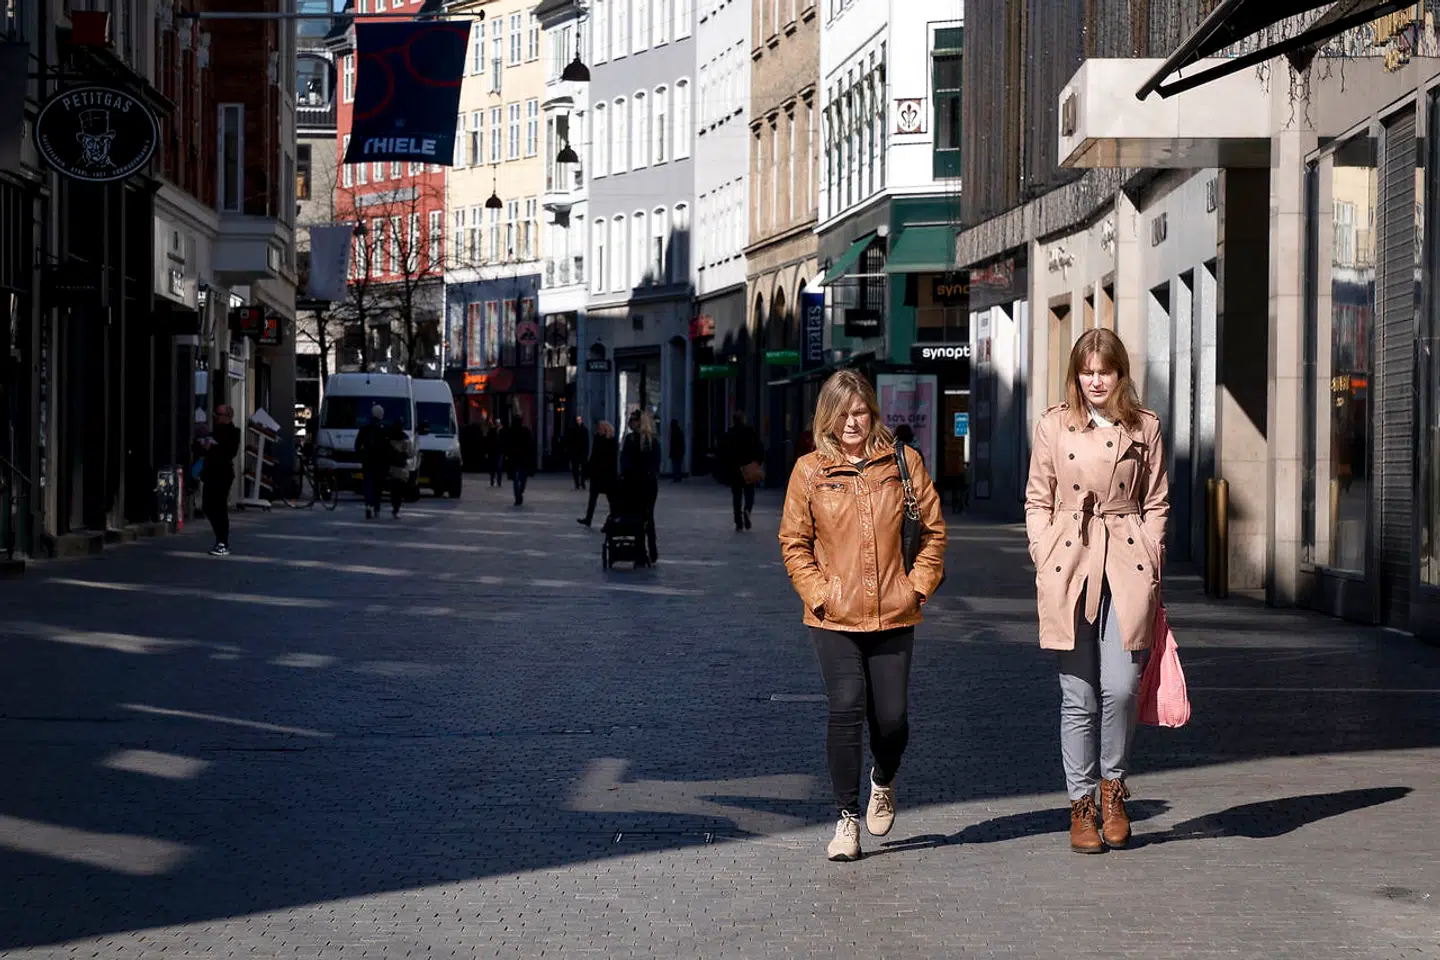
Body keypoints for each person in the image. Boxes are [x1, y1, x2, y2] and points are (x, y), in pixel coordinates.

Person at [778, 370, 946, 862]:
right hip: (834, 615)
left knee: (892, 721)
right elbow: (794, 542)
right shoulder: (810, 471)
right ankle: (846, 818)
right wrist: (818, 592)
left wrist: (917, 587)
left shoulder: (902, 462)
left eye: (861, 412)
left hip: (895, 610)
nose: (853, 422)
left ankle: (884, 778)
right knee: (846, 707)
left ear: (873, 412)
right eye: (843, 414)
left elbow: (933, 532)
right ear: (827, 417)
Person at [1024, 328, 1169, 854]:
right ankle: (1081, 804)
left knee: (1123, 687)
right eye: (1086, 372)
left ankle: (1114, 789)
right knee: (1078, 694)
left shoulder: (1144, 426)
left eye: (1104, 372)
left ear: (1119, 373)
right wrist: (1044, 553)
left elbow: (1156, 500)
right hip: (1071, 560)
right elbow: (1037, 498)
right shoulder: (1054, 425)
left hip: (1126, 561)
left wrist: (1152, 556)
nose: (1094, 381)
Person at [619, 409, 662, 562]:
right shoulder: (652, 440)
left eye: (633, 420)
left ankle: (642, 551)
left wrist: (629, 473)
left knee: (639, 516)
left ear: (639, 422)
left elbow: (624, 462)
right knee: (647, 516)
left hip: (636, 483)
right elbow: (657, 463)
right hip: (648, 483)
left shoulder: (632, 440)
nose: (630, 423)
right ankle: (650, 550)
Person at [201, 405, 241, 556]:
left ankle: (222, 541)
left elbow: (231, 451)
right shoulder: (214, 432)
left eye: (218, 414)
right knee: (208, 506)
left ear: (227, 416)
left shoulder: (233, 432)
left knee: (219, 507)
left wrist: (212, 447)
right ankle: (220, 539)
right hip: (210, 473)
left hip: (222, 474)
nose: (215, 417)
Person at [720, 411, 764, 532]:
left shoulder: (729, 434)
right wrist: (758, 462)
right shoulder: (750, 433)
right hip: (749, 467)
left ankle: (738, 521)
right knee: (749, 493)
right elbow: (759, 448)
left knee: (737, 496)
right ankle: (747, 510)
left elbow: (723, 452)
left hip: (735, 469)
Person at [354, 404, 393, 520]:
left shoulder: (365, 428)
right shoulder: (385, 429)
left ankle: (368, 505)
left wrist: (361, 456)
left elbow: (357, 445)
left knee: (368, 484)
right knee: (378, 486)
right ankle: (377, 509)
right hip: (381, 462)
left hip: (368, 461)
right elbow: (388, 447)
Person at [578, 421, 618, 527]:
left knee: (610, 498)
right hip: (598, 473)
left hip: (605, 473)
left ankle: (614, 517)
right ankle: (588, 518)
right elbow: (594, 456)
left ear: (605, 429)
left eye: (599, 428)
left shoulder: (610, 441)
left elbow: (608, 459)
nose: (597, 430)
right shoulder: (600, 439)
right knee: (593, 498)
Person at [384, 419, 412, 518]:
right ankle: (396, 508)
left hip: (392, 467)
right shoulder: (405, 438)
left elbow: (385, 453)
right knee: (400, 489)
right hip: (402, 467)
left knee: (394, 490)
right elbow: (409, 453)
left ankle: (394, 506)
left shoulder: (388, 437)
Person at [506, 416, 535, 506]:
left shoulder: (511, 432)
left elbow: (508, 445)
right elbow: (530, 445)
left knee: (516, 479)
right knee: (523, 478)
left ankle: (518, 495)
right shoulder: (526, 431)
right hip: (523, 458)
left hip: (515, 458)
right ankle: (519, 493)